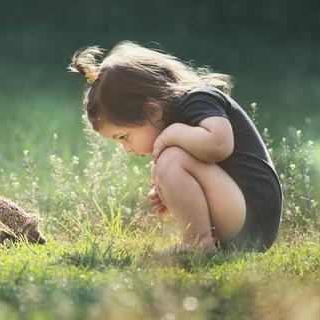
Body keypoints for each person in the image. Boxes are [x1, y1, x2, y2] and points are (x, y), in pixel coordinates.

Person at [68, 41, 282, 253]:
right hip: (239, 214)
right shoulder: (176, 120)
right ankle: (207, 243)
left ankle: (198, 245)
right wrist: (172, 191)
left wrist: (171, 135)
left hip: (254, 216)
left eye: (124, 137)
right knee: (169, 160)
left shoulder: (198, 99)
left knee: (172, 159)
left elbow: (220, 144)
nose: (126, 148)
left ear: (152, 111)